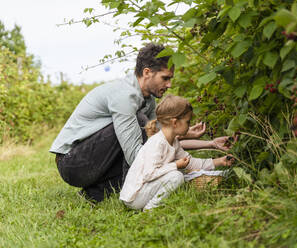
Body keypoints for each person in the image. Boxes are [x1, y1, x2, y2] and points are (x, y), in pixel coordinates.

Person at [50, 43, 231, 203]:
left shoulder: (148, 100)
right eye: (165, 78)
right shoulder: (125, 97)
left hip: (92, 162)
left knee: (146, 133)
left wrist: (208, 143)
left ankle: (95, 194)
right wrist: (176, 170)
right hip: (71, 163)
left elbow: (162, 140)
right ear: (147, 72)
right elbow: (138, 156)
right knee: (140, 125)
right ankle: (127, 192)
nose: (169, 85)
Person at [120, 95, 233, 210]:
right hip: (134, 197)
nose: (190, 125)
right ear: (175, 123)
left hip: (144, 191)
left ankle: (153, 204)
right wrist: (175, 165)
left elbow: (192, 163)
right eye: (188, 122)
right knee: (177, 176)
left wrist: (220, 161)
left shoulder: (173, 142)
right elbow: (149, 174)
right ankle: (151, 209)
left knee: (180, 173)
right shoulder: (157, 143)